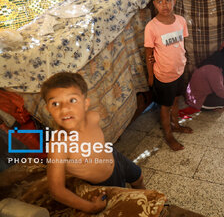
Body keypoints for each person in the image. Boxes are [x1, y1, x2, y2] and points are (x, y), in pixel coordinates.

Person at [40, 72, 145, 214]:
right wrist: (91, 207)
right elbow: (56, 190)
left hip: (115, 157)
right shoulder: (59, 144)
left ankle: (146, 198)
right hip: (103, 180)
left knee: (138, 178)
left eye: (72, 100)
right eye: (55, 103)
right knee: (122, 201)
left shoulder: (93, 117)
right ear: (48, 109)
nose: (64, 108)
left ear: (85, 103)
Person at [144, 0, 192, 151]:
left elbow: (180, 45)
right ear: (154, 3)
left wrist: (182, 63)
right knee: (165, 106)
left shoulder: (180, 21)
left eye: (168, 0)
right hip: (163, 75)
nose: (164, 5)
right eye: (159, 1)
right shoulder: (152, 27)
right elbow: (148, 53)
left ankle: (176, 125)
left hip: (179, 70)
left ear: (175, 0)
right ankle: (169, 135)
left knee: (176, 99)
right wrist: (151, 76)